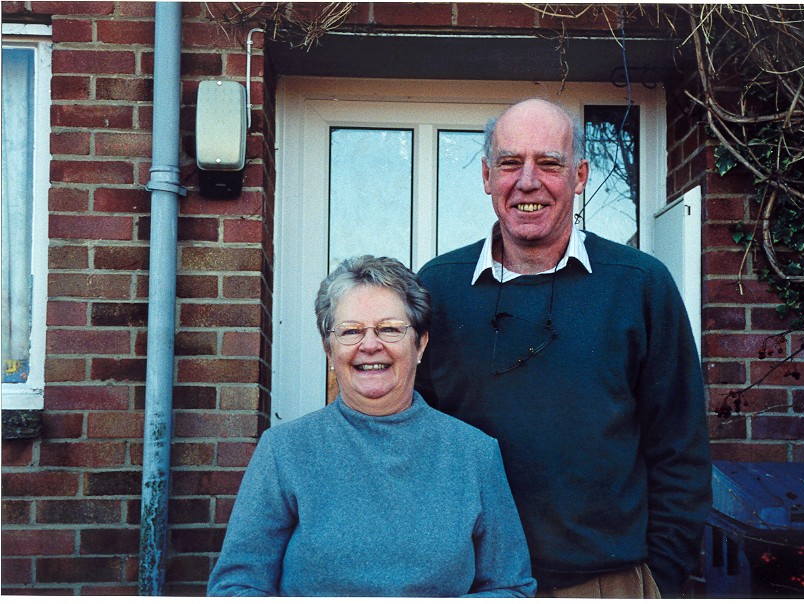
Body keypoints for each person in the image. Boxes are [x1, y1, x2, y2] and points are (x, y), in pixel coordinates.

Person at [415, 99, 712, 598]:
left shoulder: (639, 285)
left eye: (549, 163)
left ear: (579, 176)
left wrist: (657, 577)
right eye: (510, 162)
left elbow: (680, 447)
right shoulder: (439, 288)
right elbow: (411, 436)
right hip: (469, 583)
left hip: (603, 584)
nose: (527, 181)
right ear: (487, 176)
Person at [207, 255, 536, 597]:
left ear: (420, 344)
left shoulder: (474, 454)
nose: (370, 345)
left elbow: (511, 588)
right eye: (351, 331)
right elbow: (236, 588)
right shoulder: (285, 450)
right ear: (329, 349)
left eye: (389, 328)